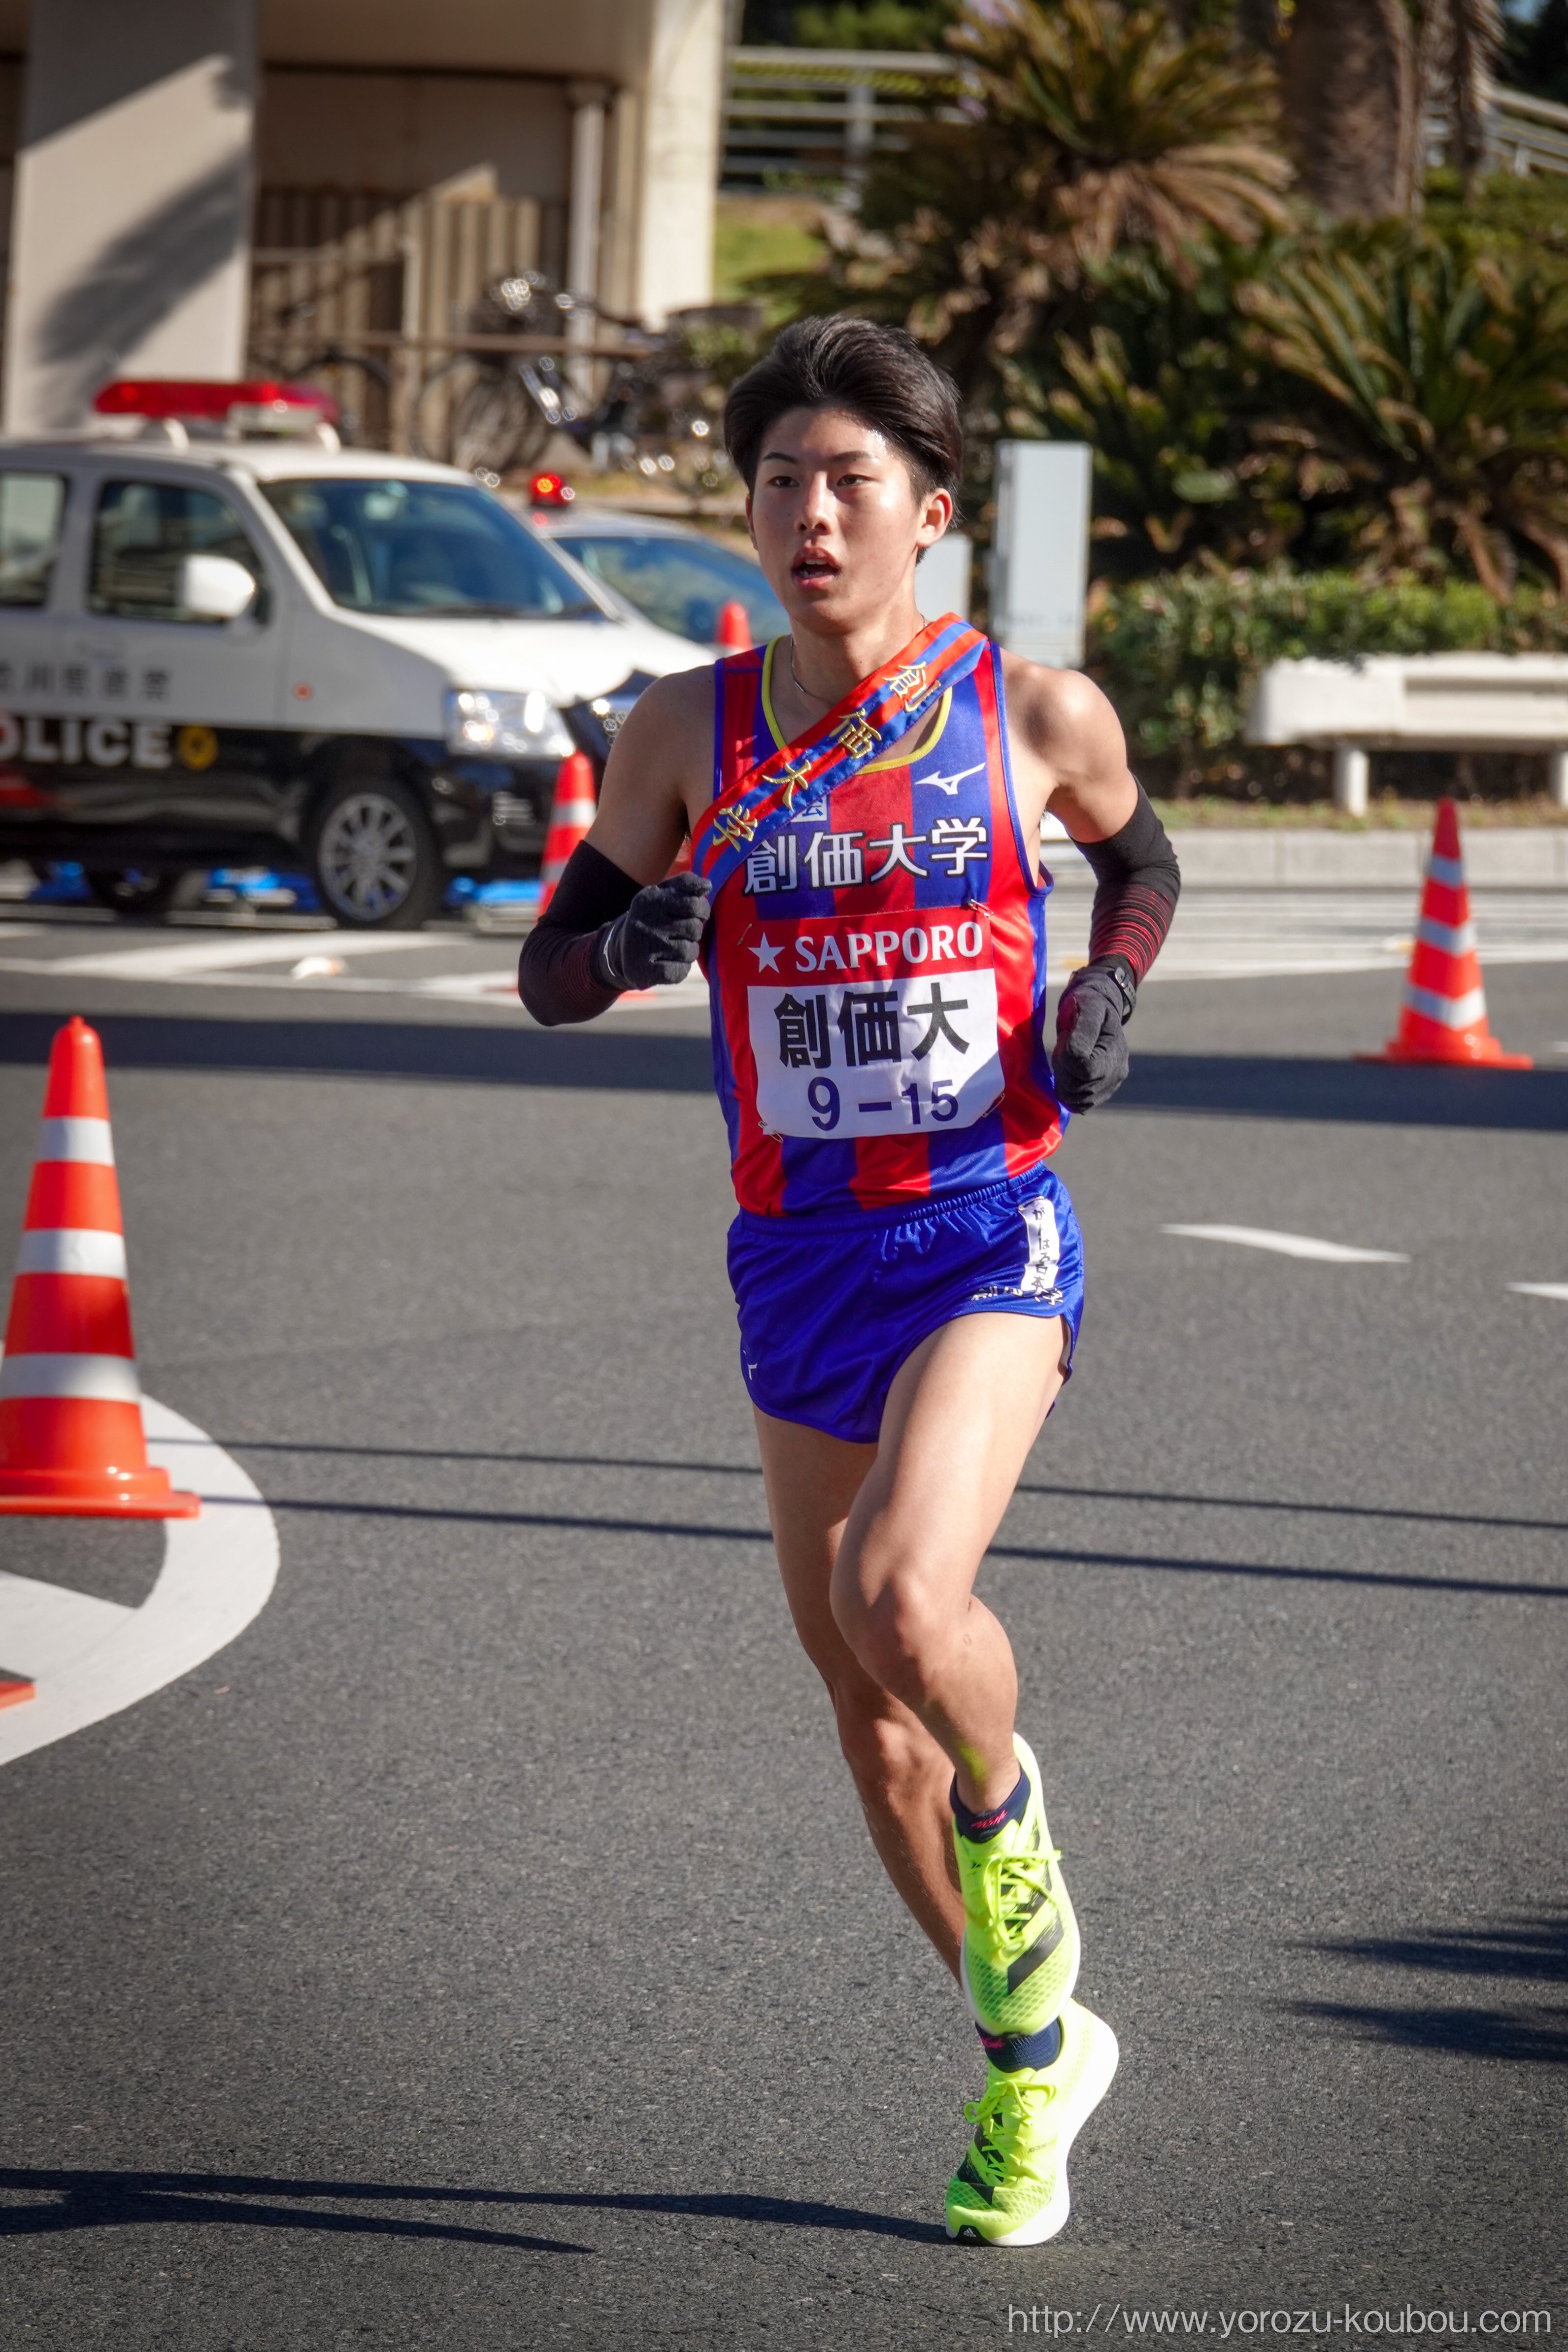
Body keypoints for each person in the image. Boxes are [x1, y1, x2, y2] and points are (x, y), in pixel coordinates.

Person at [520, 316, 1179, 2246]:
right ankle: (1034, 2066)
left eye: (850, 484)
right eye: (781, 482)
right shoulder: (680, 735)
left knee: (901, 1592)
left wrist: (1109, 987)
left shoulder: (1028, 717)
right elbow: (549, 980)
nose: (810, 515)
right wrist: (626, 938)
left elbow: (1137, 866)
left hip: (985, 1225)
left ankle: (1017, 1826)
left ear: (931, 515)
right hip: (793, 1254)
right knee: (858, 1700)